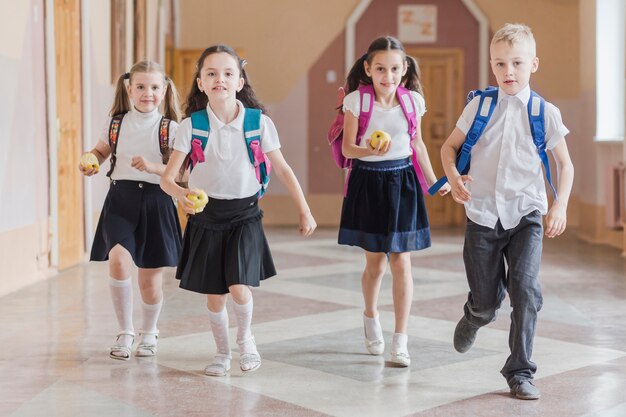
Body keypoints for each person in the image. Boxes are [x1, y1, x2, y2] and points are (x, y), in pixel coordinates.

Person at [160, 44, 317, 377]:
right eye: (212, 73)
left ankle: (246, 341)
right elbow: (167, 179)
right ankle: (221, 353)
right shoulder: (191, 126)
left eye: (228, 73)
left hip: (245, 215)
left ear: (240, 81)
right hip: (205, 217)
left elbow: (284, 169)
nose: (220, 79)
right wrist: (182, 195)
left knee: (239, 286)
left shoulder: (259, 123)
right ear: (200, 82)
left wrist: (304, 210)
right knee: (215, 296)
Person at [440, 23, 574, 400]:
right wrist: (453, 176)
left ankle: (520, 372)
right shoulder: (479, 106)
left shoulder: (544, 112)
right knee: (486, 302)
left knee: (527, 292)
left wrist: (559, 204)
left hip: (526, 214)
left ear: (534, 64)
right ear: (492, 65)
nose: (508, 72)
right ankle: (475, 316)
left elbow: (566, 164)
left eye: (516, 63)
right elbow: (449, 149)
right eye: (500, 64)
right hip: (481, 215)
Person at [338, 36, 450, 367]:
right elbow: (347, 149)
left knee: (402, 261)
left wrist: (433, 182)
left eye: (395, 69)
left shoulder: (413, 101)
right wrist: (369, 150)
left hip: (403, 183)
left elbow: (417, 145)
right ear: (369, 69)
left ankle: (400, 340)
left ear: (405, 70)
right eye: (381, 68)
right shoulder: (356, 101)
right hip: (368, 182)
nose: (388, 75)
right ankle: (371, 316)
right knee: (376, 263)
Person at [79, 60, 183, 360]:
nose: (146, 93)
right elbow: (100, 151)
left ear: (163, 91)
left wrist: (153, 167)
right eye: (140, 86)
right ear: (129, 88)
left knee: (150, 280)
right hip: (120, 200)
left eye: (153, 87)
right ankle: (125, 332)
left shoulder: (170, 129)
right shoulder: (115, 123)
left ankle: (149, 333)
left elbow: (180, 171)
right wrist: (91, 161)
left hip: (157, 201)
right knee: (118, 260)